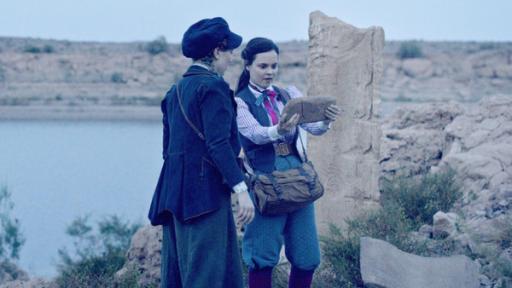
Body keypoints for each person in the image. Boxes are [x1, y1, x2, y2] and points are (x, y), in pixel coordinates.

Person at [148, 17, 255, 288]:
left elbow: (168, 150)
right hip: (205, 196)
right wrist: (241, 189)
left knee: (178, 274)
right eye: (229, 50)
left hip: (174, 194)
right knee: (209, 274)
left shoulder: (174, 92)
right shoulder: (214, 87)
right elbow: (217, 144)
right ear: (217, 51)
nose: (231, 57)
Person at [235, 37, 340, 288]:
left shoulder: (288, 94)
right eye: (263, 66)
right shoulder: (239, 101)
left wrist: (326, 120)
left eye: (274, 66)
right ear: (248, 66)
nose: (270, 72)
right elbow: (255, 134)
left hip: (297, 177)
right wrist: (279, 129)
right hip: (265, 182)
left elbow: (313, 127)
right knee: (262, 254)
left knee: (307, 255)